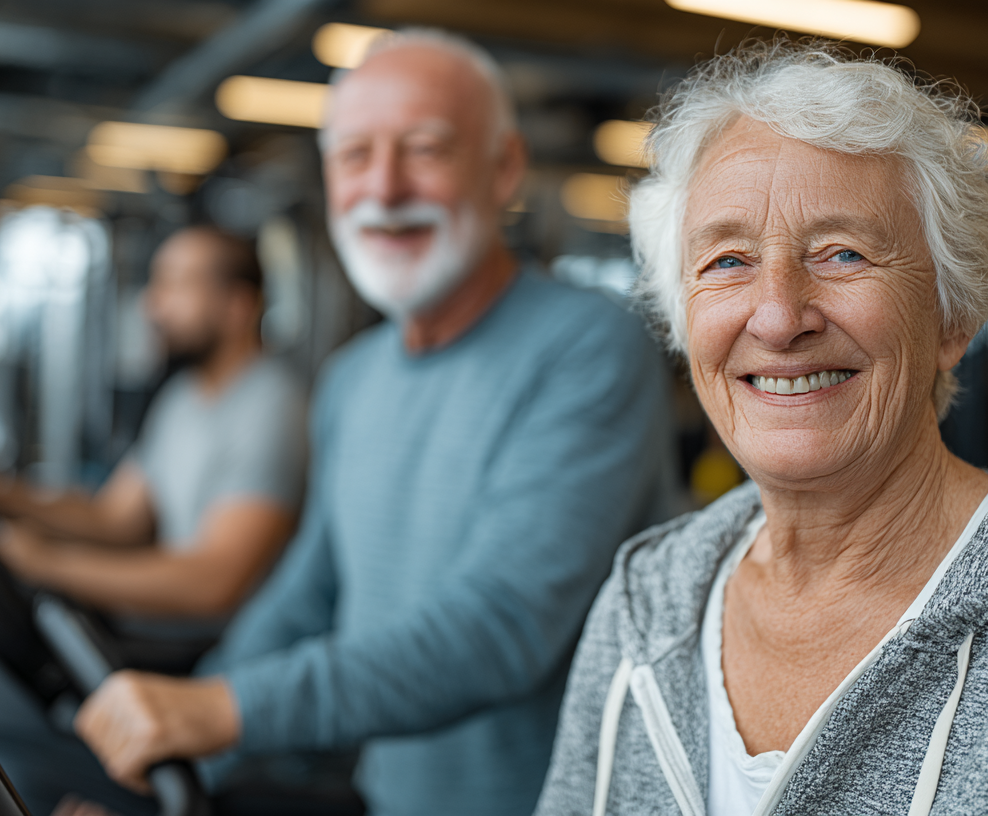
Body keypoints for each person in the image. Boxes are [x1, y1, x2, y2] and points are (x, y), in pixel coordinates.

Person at [535, 42, 988, 816]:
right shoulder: (645, 601)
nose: (777, 317)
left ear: (953, 317)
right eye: (728, 261)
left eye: (843, 254)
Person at [69, 29, 676, 816]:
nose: (384, 189)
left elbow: (503, 627)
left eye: (424, 149)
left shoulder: (588, 347)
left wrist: (224, 710)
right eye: (355, 156)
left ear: (504, 168)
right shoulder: (352, 379)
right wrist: (167, 762)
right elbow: (304, 599)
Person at [0, 225, 308, 621]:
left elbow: (216, 581)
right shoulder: (182, 398)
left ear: (238, 307)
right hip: (171, 627)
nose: (151, 304)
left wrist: (47, 563)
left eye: (176, 285)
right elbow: (114, 518)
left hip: (220, 643)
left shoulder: (272, 405)